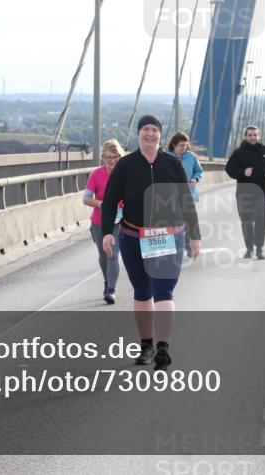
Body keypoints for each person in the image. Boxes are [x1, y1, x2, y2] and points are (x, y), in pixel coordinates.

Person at [101, 115, 201, 370]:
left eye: (154, 130)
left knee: (163, 290)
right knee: (143, 291)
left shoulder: (171, 163)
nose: (150, 134)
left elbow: (185, 200)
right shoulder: (126, 165)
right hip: (134, 235)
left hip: (167, 235)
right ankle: (147, 346)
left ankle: (163, 347)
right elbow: (111, 200)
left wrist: (195, 235)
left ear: (160, 135)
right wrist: (107, 233)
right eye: (146, 129)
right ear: (139, 134)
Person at [226, 125, 265, 260]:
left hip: (262, 192)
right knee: (247, 222)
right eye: (250, 135)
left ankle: (259, 249)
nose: (252, 137)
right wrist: (243, 173)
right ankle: (249, 249)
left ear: (259, 136)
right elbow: (229, 169)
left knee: (261, 220)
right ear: (245, 136)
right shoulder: (238, 152)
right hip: (244, 193)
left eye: (255, 135)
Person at [84, 139, 125, 304]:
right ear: (103, 158)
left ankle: (111, 290)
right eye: (108, 157)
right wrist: (102, 204)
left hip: (120, 221)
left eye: (115, 156)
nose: (112, 160)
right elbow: (86, 198)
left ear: (120, 157)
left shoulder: (125, 174)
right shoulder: (96, 174)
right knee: (103, 255)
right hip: (99, 221)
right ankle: (107, 281)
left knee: (113, 254)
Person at [168, 132, 204, 257]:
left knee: (188, 220)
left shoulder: (191, 156)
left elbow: (199, 171)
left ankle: (188, 245)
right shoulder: (166, 157)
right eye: (181, 145)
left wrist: (195, 179)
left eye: (185, 145)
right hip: (171, 196)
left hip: (189, 193)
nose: (184, 148)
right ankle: (175, 244)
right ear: (174, 145)